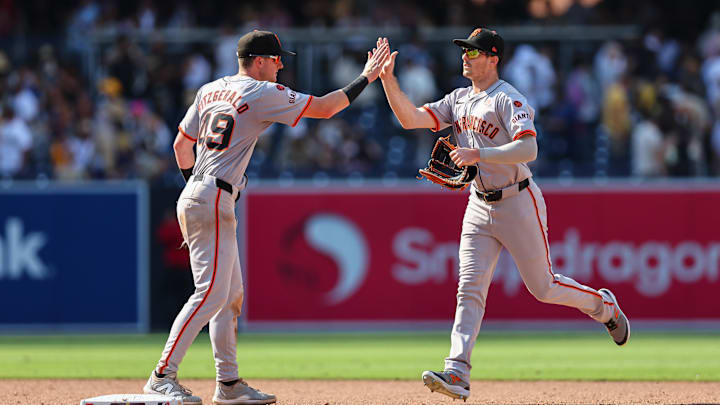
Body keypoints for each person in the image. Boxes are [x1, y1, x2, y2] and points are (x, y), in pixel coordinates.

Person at [377, 29, 630, 402]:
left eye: (474, 52)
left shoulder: (508, 98)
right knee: (469, 287)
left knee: (543, 287)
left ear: (493, 58)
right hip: (478, 204)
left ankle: (603, 306)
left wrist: (481, 155)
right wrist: (387, 79)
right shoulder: (458, 99)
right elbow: (410, 118)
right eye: (464, 50)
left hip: (517, 200)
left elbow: (529, 148)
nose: (465, 56)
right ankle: (457, 372)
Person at [144, 30, 389, 405]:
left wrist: (194, 189)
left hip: (199, 189)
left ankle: (228, 385)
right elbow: (325, 108)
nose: (281, 65)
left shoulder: (210, 89)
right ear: (258, 61)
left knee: (230, 297)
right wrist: (367, 77)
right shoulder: (261, 92)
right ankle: (162, 376)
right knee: (210, 295)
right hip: (212, 195)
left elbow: (181, 145)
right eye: (276, 59)